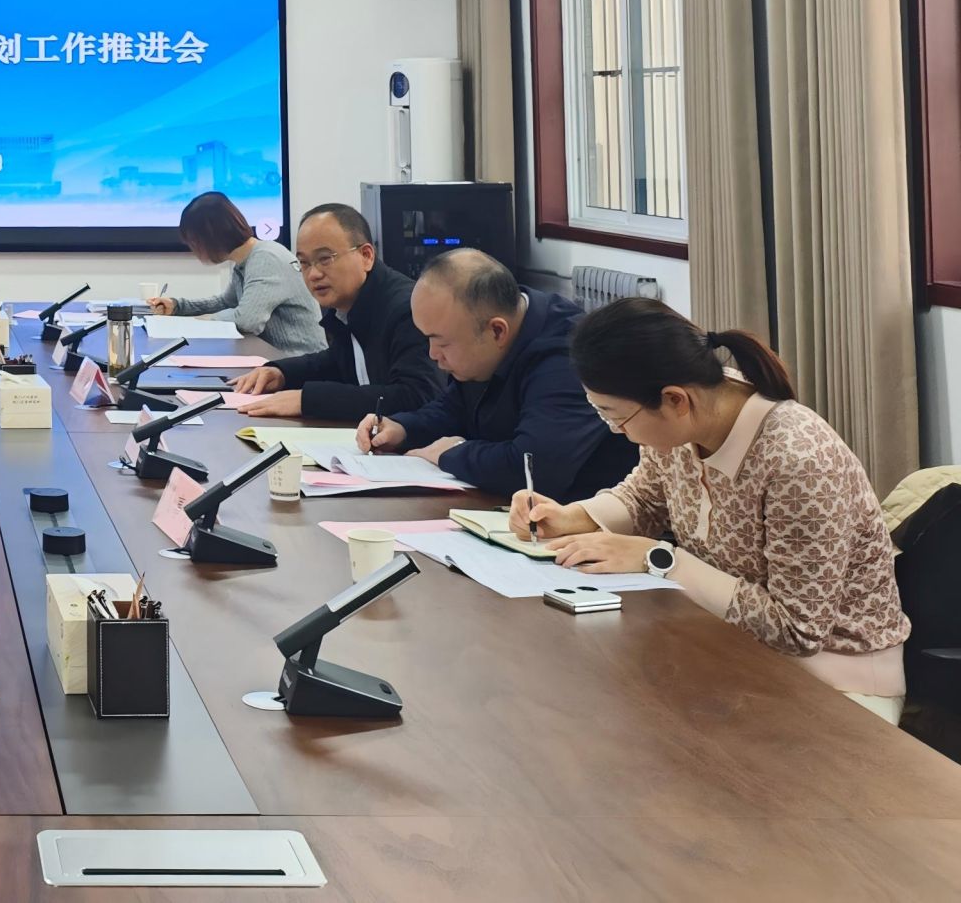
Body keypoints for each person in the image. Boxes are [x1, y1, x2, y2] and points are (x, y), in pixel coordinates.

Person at [513, 299, 911, 724]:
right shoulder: (691, 415)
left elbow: (797, 630)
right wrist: (571, 516)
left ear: (674, 400)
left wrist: (660, 560)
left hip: (837, 680)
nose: (618, 431)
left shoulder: (797, 460)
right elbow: (646, 497)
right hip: (727, 648)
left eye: (615, 417)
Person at [358, 248, 635, 501]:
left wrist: (450, 453)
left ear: (497, 331)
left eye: (441, 342)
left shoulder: (567, 356)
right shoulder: (487, 332)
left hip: (584, 521)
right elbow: (455, 408)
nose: (432, 354)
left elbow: (533, 469)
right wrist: (403, 428)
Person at [230, 202, 443, 420]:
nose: (313, 274)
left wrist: (307, 400)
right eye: (304, 263)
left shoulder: (408, 310)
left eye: (325, 259)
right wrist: (281, 373)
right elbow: (338, 362)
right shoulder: (348, 304)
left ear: (366, 256)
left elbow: (417, 396)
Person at [149, 191, 322, 354]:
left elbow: (247, 321)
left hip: (298, 362)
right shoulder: (245, 260)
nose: (194, 251)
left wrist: (203, 321)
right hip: (274, 359)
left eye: (194, 243)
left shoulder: (266, 259)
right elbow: (226, 302)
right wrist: (178, 306)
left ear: (211, 237)